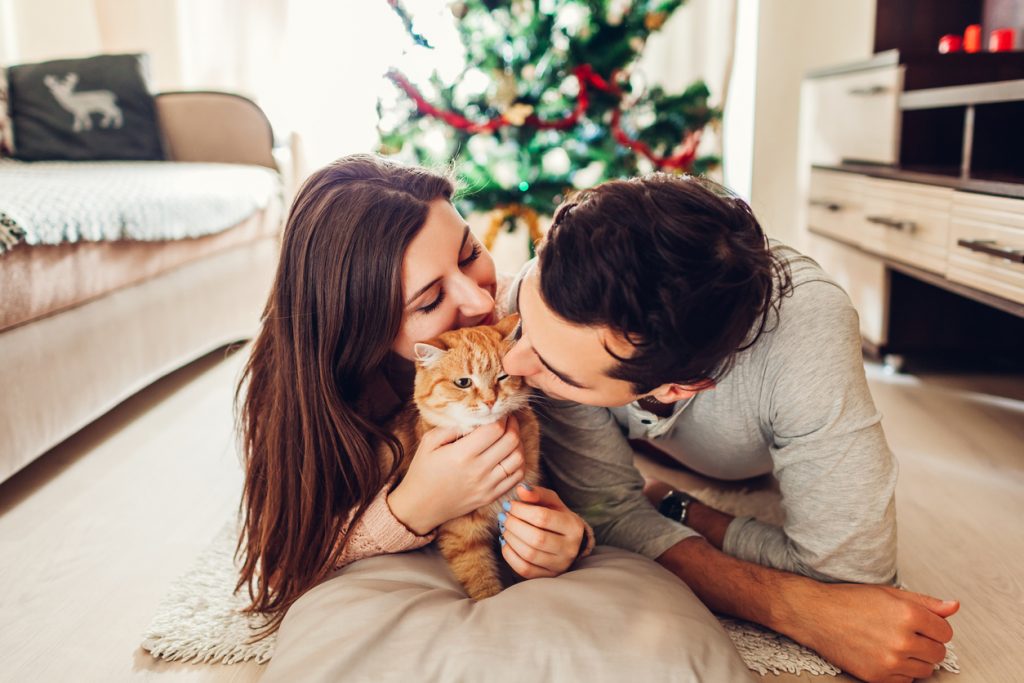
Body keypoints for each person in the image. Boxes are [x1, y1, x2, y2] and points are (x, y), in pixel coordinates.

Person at [500, 172, 960, 683]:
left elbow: (851, 577)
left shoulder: (807, 337)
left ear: (680, 386)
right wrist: (794, 608)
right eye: (523, 322)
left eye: (555, 371)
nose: (511, 363)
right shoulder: (547, 300)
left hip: (740, 442)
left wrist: (678, 506)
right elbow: (607, 513)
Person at [234, 155, 592, 638]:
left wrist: (576, 535)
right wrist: (412, 507)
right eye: (428, 301)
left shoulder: (515, 321)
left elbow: (602, 490)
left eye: (470, 253)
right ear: (361, 327)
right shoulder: (310, 389)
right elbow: (284, 559)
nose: (481, 301)